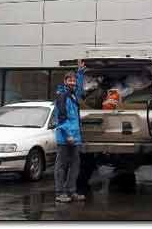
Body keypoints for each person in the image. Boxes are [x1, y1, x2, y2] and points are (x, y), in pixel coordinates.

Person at [54, 59, 86, 203]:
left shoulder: (73, 95)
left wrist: (80, 72)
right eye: (70, 80)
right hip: (65, 138)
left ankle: (71, 191)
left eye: (74, 80)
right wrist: (68, 135)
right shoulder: (62, 96)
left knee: (75, 166)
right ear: (65, 81)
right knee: (61, 166)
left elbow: (79, 89)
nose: (73, 82)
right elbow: (61, 118)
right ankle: (60, 193)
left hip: (76, 138)